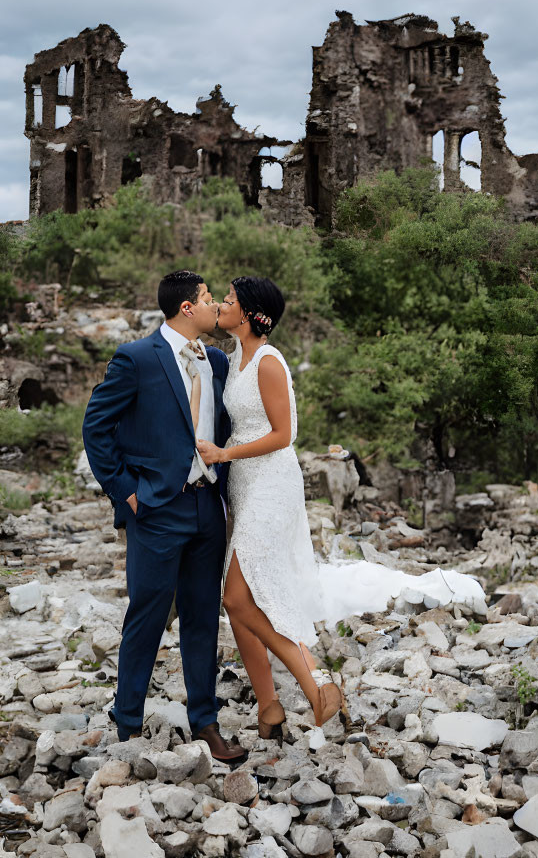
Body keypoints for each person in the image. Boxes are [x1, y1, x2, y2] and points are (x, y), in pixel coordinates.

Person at [82, 270, 246, 762]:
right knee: (146, 615)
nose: (214, 302)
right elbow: (97, 426)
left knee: (201, 619)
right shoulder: (136, 358)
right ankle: (127, 724)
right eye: (206, 296)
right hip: (154, 508)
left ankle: (207, 723)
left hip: (206, 507)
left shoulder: (214, 360)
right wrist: (125, 493)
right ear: (185, 308)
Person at [196, 277, 342, 741]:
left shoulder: (269, 360)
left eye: (231, 299)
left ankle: (313, 678)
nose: (221, 302)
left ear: (250, 312)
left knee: (237, 597)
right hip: (245, 485)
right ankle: (269, 707)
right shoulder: (234, 358)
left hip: (272, 484)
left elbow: (285, 434)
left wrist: (222, 455)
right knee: (244, 598)